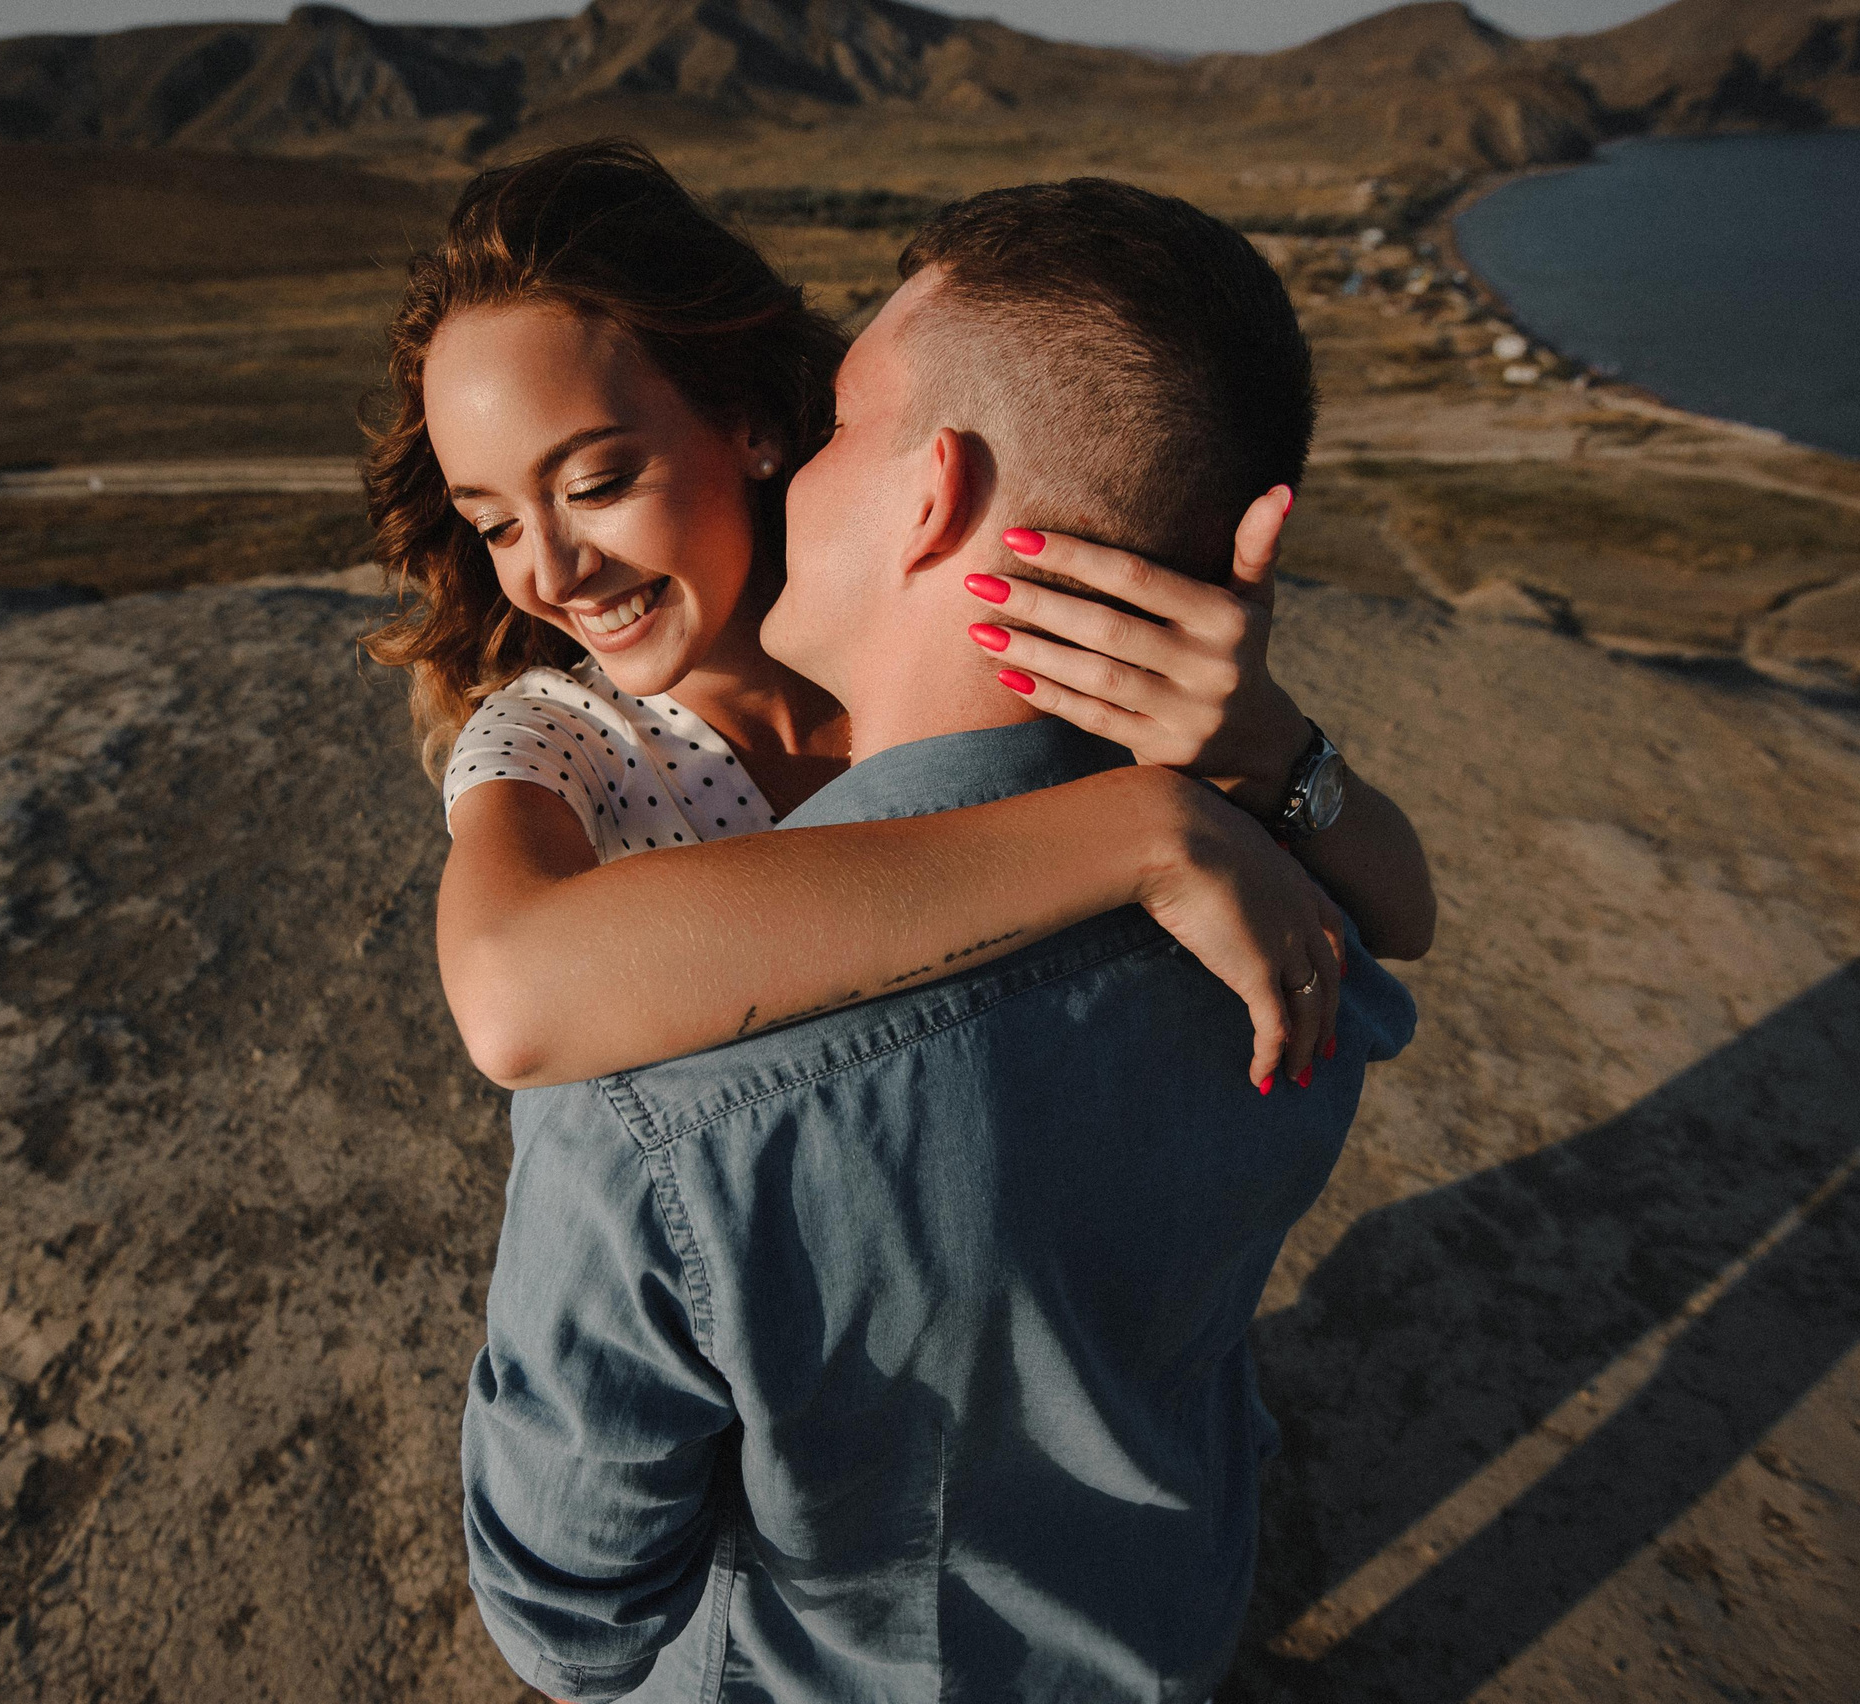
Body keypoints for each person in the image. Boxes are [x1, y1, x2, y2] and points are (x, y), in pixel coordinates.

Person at [455, 178, 1418, 1700]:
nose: (549, 566)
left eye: (834, 425)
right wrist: (1193, 798)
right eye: (494, 518)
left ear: (932, 494)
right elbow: (1400, 913)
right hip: (1165, 1626)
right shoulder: (1301, 925)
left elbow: (569, 1623)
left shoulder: (645, 1113)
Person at [361, 142, 1434, 1105]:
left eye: (596, 484)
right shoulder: (558, 743)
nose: (551, 572)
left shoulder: (934, 638)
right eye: (493, 524)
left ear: (752, 424)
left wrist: (1264, 746)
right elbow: (511, 1000)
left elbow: (1402, 918)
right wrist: (1145, 835)